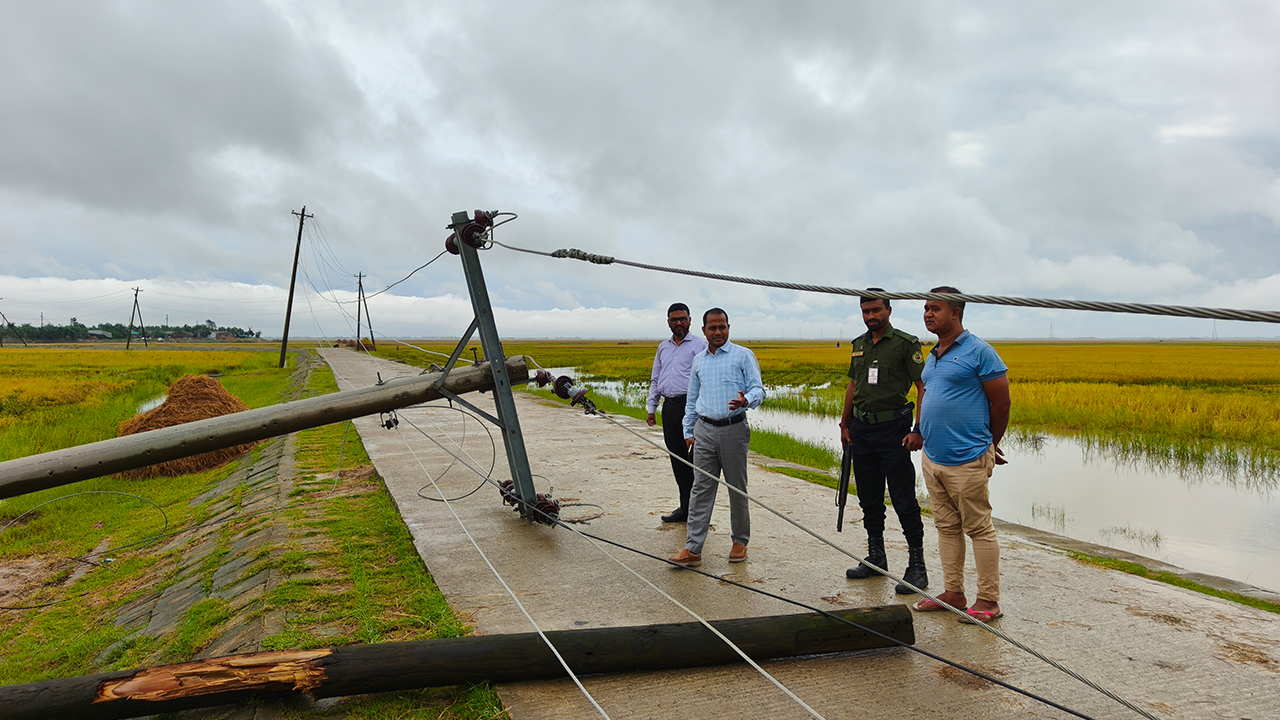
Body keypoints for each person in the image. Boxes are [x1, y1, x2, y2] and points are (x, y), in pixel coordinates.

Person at [913, 286, 1010, 624]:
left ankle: (988, 600)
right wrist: (919, 430)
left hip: (967, 458)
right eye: (925, 308)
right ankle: (953, 593)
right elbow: (927, 395)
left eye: (935, 308)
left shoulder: (980, 352)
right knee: (946, 527)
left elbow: (1001, 403)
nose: (928, 313)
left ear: (955, 312)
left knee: (979, 528)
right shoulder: (932, 354)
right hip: (933, 457)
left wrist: (989, 444)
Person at [840, 289, 928, 594]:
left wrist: (919, 428)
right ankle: (876, 557)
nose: (871, 316)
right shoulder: (858, 344)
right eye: (866, 311)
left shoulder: (906, 344)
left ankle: (917, 566)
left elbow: (922, 386)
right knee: (869, 497)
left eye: (876, 310)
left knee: (903, 498)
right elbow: (853, 386)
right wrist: (844, 424)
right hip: (861, 429)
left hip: (894, 430)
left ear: (888, 310)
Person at [667, 308, 765, 567]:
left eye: (722, 327)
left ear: (728, 328)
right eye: (713, 328)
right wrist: (688, 430)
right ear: (704, 331)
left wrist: (746, 400)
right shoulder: (699, 360)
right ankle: (693, 549)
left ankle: (740, 541)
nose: (718, 332)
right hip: (704, 430)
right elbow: (692, 399)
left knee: (736, 488)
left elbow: (758, 389)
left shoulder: (743, 355)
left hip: (733, 429)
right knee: (700, 489)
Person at [646, 302, 707, 523]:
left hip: (691, 407)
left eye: (682, 318)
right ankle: (685, 509)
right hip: (669, 408)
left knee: (695, 460)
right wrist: (652, 407)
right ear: (668, 322)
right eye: (674, 319)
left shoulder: (700, 345)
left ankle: (698, 511)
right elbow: (656, 379)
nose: (679, 322)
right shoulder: (663, 347)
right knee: (677, 458)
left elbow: (706, 379)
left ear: (690, 320)